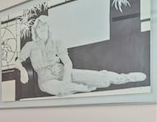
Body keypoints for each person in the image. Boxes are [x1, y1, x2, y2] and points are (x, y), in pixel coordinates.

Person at [13, 15, 146, 97]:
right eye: (39, 28)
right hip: (46, 80)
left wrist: (66, 76)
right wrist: (23, 71)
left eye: (44, 27)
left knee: (98, 77)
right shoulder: (30, 45)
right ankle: (85, 88)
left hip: (63, 71)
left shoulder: (57, 42)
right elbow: (17, 62)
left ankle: (125, 78)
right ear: (35, 31)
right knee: (61, 89)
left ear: (49, 29)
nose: (42, 30)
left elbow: (67, 62)